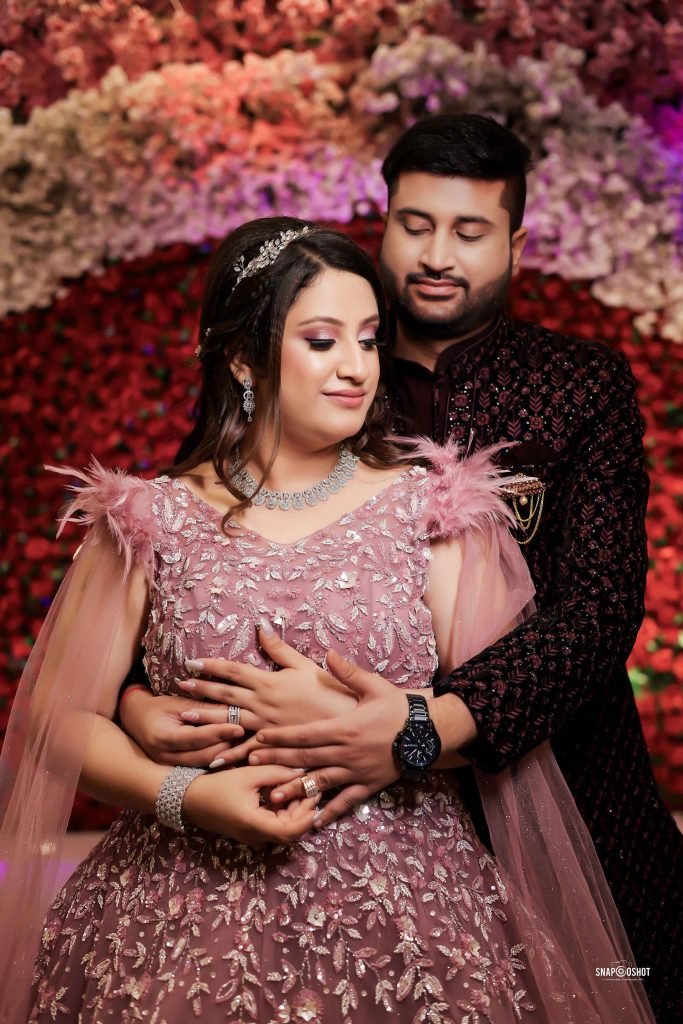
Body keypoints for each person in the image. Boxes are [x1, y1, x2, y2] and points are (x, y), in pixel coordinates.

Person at [0, 218, 655, 1023]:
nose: (356, 367)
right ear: (243, 359)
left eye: (369, 340)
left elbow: (502, 714)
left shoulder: (434, 510)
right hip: (177, 917)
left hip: (411, 913)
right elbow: (57, 722)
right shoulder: (149, 518)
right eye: (321, 341)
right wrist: (184, 796)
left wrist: (387, 735)